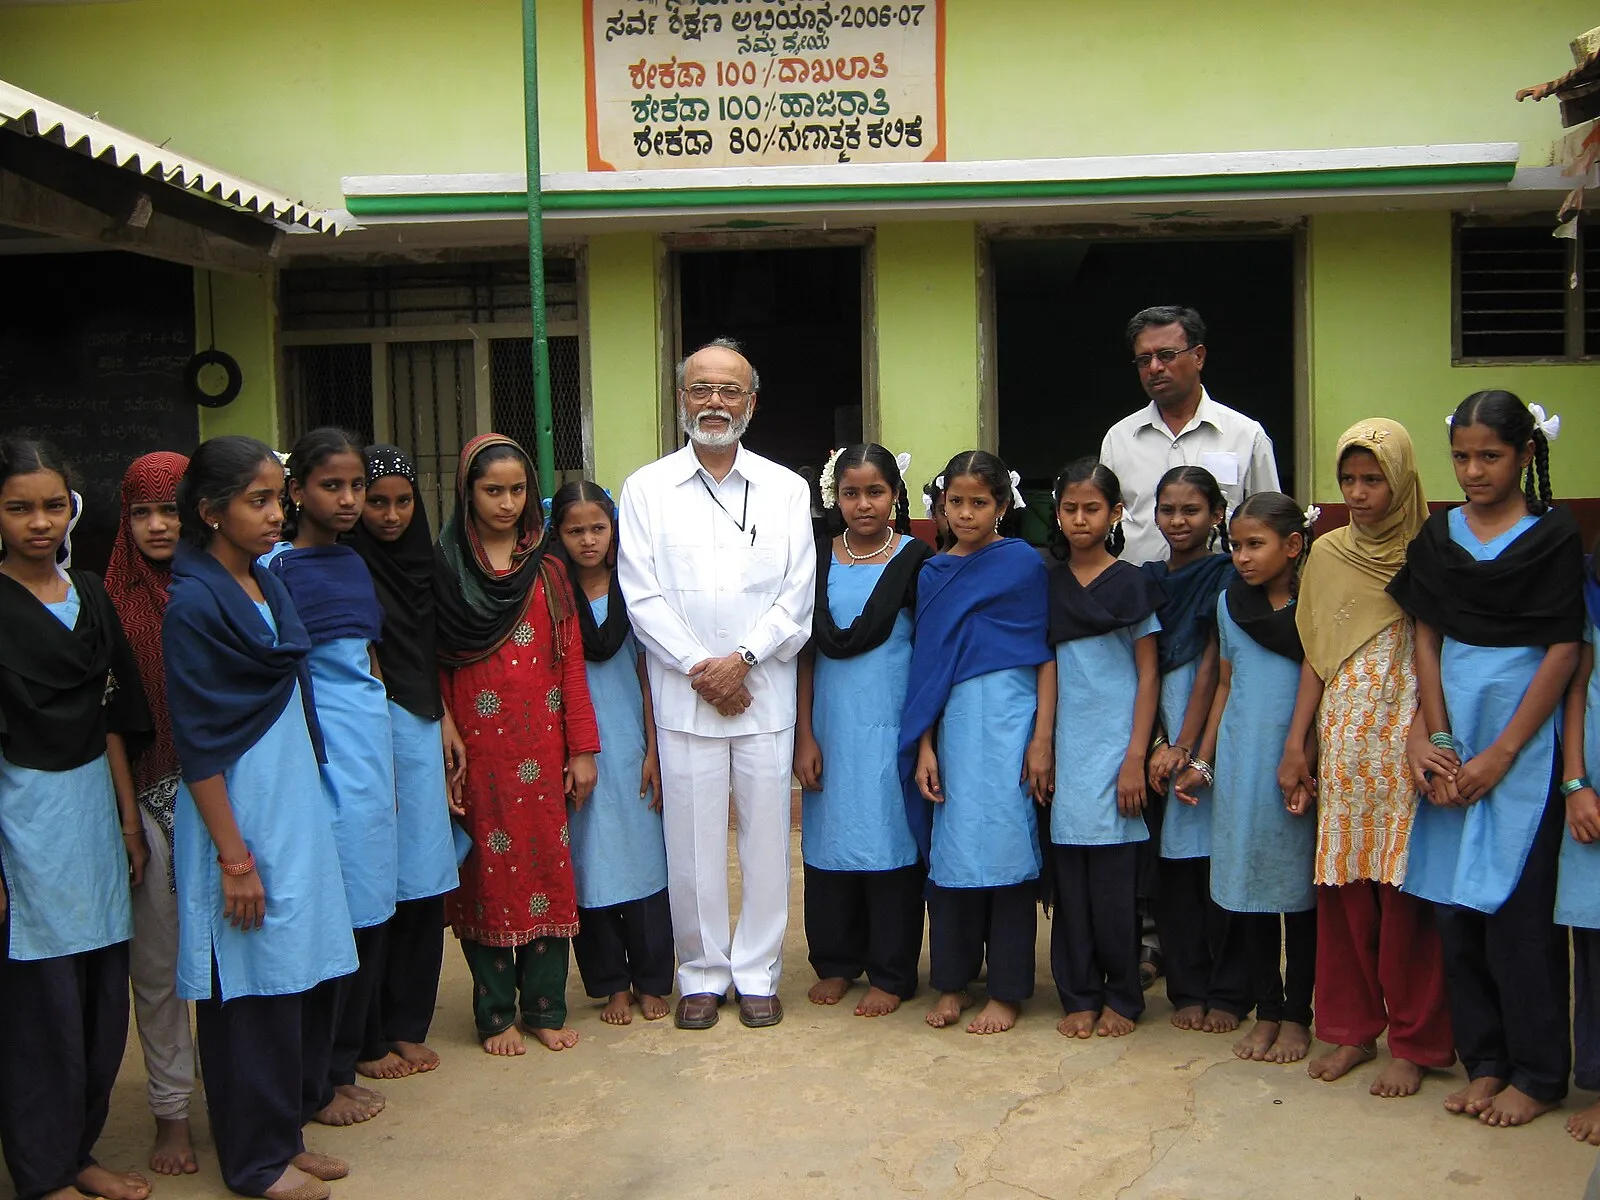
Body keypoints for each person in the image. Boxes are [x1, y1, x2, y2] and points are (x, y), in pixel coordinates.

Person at [163, 436, 358, 1200]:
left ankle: (282, 1139)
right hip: (237, 817)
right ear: (212, 511)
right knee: (243, 992)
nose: (277, 512)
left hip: (288, 809)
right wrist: (233, 857)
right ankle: (252, 1163)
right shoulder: (193, 605)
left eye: (279, 497)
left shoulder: (262, 582)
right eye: (258, 500)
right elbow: (198, 741)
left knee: (287, 982)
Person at [1390, 390, 1582, 1129]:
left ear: (1526, 454)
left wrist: (1502, 755)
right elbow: (1426, 636)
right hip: (1452, 737)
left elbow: (1563, 649)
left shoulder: (1553, 537)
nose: (1473, 471)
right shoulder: (1439, 538)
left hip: (1519, 746)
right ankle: (1487, 1062)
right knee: (1454, 912)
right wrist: (1437, 739)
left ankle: (1539, 1073)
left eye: (1491, 457)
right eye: (1462, 457)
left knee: (1519, 917)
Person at [617, 337, 815, 1031]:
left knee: (766, 843)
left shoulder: (786, 489)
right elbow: (641, 595)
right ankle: (701, 973)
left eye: (730, 390)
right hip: (686, 699)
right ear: (681, 398)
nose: (715, 403)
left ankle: (757, 973)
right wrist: (704, 670)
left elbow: (797, 593)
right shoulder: (645, 489)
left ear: (751, 402)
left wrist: (743, 661)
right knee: (693, 846)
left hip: (763, 695)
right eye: (701, 388)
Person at [1277, 420, 1454, 1097]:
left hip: (1409, 735)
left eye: (1374, 479)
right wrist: (1297, 742)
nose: (1358, 492)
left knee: (1405, 896)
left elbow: (1442, 651)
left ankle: (1415, 1042)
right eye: (1348, 479)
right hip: (1346, 739)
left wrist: (1427, 729)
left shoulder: (1432, 551)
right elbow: (1316, 655)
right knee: (1344, 888)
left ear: (1402, 480)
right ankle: (1350, 1029)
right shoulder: (1328, 553)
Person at [0, 439, 153, 1200]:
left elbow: (113, 719)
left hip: (93, 821)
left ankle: (80, 1152)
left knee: (100, 1004)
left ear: (74, 510)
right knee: (41, 1014)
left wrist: (128, 823)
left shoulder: (90, 596)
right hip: (24, 828)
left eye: (53, 506)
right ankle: (43, 1171)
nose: (39, 522)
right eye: (19, 508)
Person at [436, 435, 599, 1055]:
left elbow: (570, 663)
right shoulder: (447, 568)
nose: (506, 503)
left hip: (543, 748)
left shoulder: (548, 569)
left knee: (545, 866)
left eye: (517, 490)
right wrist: (444, 736)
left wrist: (581, 750)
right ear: (468, 493)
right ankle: (496, 1013)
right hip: (476, 751)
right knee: (485, 872)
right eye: (492, 491)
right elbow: (434, 663)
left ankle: (545, 1007)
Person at [265, 429, 398, 1125]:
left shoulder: (352, 562)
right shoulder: (275, 569)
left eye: (356, 487)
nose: (348, 500)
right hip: (320, 752)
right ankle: (314, 1079)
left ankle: (341, 1064)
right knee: (329, 912)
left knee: (371, 902)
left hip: (368, 745)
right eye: (332, 486)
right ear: (296, 492)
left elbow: (366, 658)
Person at [903, 450, 1051, 1036]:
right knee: (954, 849)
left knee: (1009, 845)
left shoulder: (1023, 564)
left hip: (1013, 720)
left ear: (1003, 506)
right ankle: (951, 981)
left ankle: (1008, 990)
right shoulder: (934, 573)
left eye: (979, 503)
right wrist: (925, 746)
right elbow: (927, 667)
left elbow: (1043, 652)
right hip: (955, 727)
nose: (965, 514)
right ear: (941, 504)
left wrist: (1041, 740)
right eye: (955, 502)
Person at [1179, 493, 1317, 1065]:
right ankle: (1268, 1010)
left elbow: (1324, 681)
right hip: (1242, 763)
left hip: (1297, 763)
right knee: (1251, 890)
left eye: (1255, 545)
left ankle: (1298, 1016)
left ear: (1293, 545)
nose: (1242, 557)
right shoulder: (1229, 603)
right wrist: (1204, 760)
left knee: (1299, 897)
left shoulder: (1315, 605)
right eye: (1235, 545)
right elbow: (1226, 686)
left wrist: (1303, 755)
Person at [794, 445, 931, 1017]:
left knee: (890, 841)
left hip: (892, 729)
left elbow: (929, 653)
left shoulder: (917, 560)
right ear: (836, 497)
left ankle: (891, 971)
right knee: (830, 841)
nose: (863, 504)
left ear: (895, 495)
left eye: (875, 492)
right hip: (831, 728)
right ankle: (836, 962)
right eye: (851, 493)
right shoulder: (816, 557)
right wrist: (804, 735)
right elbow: (803, 654)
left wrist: (926, 739)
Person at [350, 445, 466, 1074]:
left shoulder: (427, 564)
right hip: (364, 736)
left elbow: (431, 650)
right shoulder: (346, 565)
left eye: (402, 502)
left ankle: (407, 1023)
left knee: (422, 880)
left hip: (420, 726)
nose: (391, 515)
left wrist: (442, 715)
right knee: (372, 885)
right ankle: (366, 1033)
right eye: (377, 502)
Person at [105, 450, 202, 1176]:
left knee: (231, 960)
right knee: (158, 968)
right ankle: (172, 1113)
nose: (158, 526)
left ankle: (245, 1098)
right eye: (142, 512)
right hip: (148, 798)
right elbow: (106, 718)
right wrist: (130, 822)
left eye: (171, 510)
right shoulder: (108, 604)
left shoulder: (221, 587)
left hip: (223, 800)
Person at [1045, 459, 1164, 1040]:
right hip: (1067, 752)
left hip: (1118, 752)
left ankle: (1122, 995)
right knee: (1070, 889)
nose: (1080, 519)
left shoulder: (1133, 584)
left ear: (1116, 513)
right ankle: (1079, 994)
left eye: (1092, 508)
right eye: (1069, 508)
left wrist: (1136, 755)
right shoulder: (1049, 584)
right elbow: (1045, 666)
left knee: (1116, 892)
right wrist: (1042, 745)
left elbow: (1148, 674)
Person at [551, 481, 673, 1027]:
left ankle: (651, 980)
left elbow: (650, 678)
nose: (588, 540)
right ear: (557, 536)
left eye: (598, 528)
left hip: (631, 748)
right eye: (575, 530)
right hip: (576, 752)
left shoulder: (635, 591)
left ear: (614, 530)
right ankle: (610, 986)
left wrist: (653, 750)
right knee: (591, 867)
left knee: (645, 864)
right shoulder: (552, 598)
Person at [1140, 466, 1239, 1034]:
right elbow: (1142, 667)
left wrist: (1190, 747)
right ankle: (1187, 988)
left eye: (1191, 510)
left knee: (1216, 866)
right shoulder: (1148, 580)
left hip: (1211, 737)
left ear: (1216, 515)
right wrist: (1158, 742)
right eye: (1168, 510)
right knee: (1173, 869)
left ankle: (1227, 990)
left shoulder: (1224, 575)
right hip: (1160, 739)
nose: (1178, 521)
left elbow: (1210, 665)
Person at [1099, 305, 1280, 565]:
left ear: (1198, 357)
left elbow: (1270, 524)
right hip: (1137, 586)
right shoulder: (1119, 439)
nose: (1154, 367)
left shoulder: (1245, 436)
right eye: (1144, 360)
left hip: (1220, 585)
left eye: (1166, 355)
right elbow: (1104, 525)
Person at [1559, 539, 1600, 1145]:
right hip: (1591, 790)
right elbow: (1577, 688)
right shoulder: (1590, 589)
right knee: (1593, 943)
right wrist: (1575, 781)